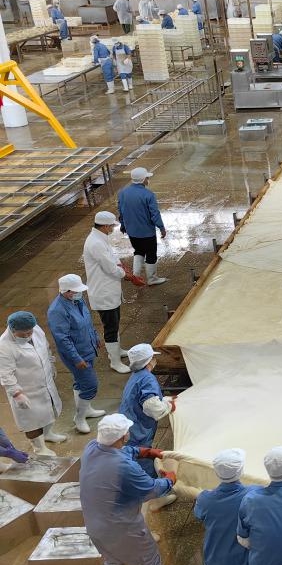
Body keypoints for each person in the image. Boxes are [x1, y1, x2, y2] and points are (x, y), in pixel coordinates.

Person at [80, 413, 177, 565]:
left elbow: (121, 452)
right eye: (126, 433)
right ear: (122, 437)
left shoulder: (91, 448)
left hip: (95, 526)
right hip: (122, 527)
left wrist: (144, 452)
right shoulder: (123, 467)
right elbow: (150, 489)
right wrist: (170, 479)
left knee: (113, 559)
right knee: (148, 556)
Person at [0, 311, 73, 455]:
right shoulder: (4, 346)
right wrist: (17, 393)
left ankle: (48, 434)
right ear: (13, 330)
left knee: (49, 409)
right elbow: (5, 374)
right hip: (26, 390)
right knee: (31, 421)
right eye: (23, 334)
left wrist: (51, 364)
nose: (28, 336)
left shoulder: (36, 330)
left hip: (45, 382)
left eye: (30, 332)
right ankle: (39, 448)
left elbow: (45, 348)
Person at [47, 274, 105, 443]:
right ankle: (79, 418)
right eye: (76, 291)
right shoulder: (57, 311)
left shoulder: (78, 300)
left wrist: (95, 336)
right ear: (66, 291)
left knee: (81, 383)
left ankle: (86, 409)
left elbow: (87, 321)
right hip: (76, 354)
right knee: (90, 385)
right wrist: (77, 358)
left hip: (87, 347)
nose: (80, 293)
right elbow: (62, 338)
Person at [83, 210, 133, 378]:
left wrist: (121, 266)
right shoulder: (95, 243)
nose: (113, 229)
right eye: (111, 226)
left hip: (109, 290)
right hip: (103, 292)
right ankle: (115, 361)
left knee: (115, 323)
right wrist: (127, 276)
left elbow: (112, 259)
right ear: (105, 226)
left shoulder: (100, 238)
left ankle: (117, 350)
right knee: (110, 327)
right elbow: (110, 268)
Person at [119, 343, 175, 494]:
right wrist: (169, 406)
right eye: (152, 358)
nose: (154, 360)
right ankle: (154, 494)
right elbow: (152, 408)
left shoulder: (137, 376)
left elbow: (147, 398)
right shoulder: (147, 379)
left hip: (129, 423)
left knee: (133, 456)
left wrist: (166, 399)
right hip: (137, 429)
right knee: (142, 456)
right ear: (148, 361)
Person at [117, 166, 168, 286]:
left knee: (138, 251)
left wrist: (123, 225)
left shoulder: (123, 193)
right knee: (151, 254)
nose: (148, 180)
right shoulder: (148, 194)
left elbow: (121, 211)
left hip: (131, 231)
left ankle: (136, 275)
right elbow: (154, 213)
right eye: (147, 178)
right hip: (146, 232)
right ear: (143, 179)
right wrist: (161, 227)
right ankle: (152, 278)